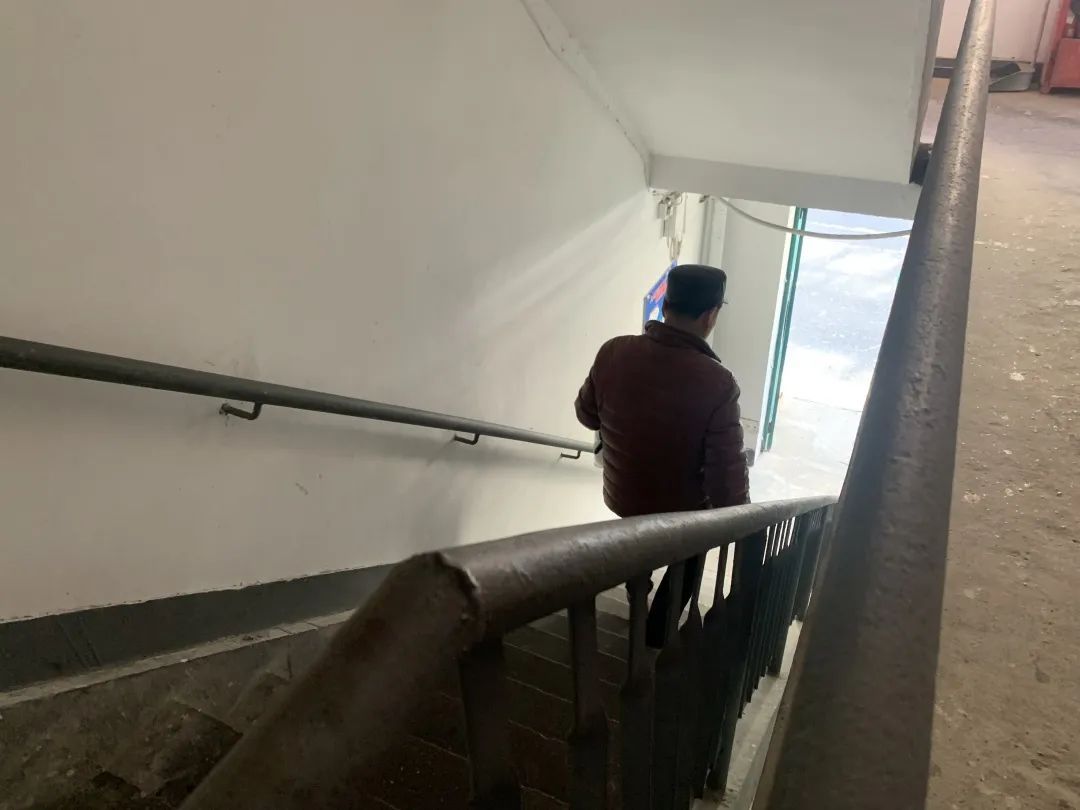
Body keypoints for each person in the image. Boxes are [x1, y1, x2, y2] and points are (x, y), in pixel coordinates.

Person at [574, 264, 749, 647]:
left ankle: (636, 596)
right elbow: (727, 484)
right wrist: (746, 524)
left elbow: (586, 415)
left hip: (625, 495)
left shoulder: (614, 351)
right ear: (710, 315)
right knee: (693, 548)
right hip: (681, 512)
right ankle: (653, 640)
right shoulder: (718, 383)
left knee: (637, 544)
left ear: (666, 304)